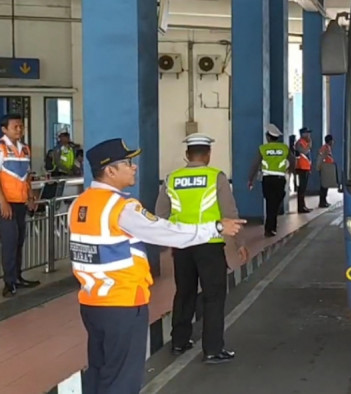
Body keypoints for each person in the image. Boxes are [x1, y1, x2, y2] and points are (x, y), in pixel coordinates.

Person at [69, 138, 245, 393]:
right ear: (110, 171)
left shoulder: (80, 204)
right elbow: (163, 230)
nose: (135, 167)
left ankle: (180, 339)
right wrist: (216, 227)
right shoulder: (121, 208)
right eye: (128, 163)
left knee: (100, 370)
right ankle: (213, 347)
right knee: (122, 380)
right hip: (123, 303)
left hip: (92, 303)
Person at [155, 133, 248, 364]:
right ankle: (213, 349)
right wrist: (239, 244)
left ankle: (179, 341)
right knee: (213, 296)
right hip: (210, 245)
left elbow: (160, 215)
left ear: (187, 155)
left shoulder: (171, 178)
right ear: (207, 155)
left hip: (183, 247)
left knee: (184, 292)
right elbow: (229, 213)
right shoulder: (216, 177)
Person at [0, 113, 39, 297]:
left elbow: (26, 177)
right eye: (15, 126)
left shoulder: (25, 149)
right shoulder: (0, 148)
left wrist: (30, 197)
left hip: (20, 202)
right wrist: (3, 203)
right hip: (5, 204)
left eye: (21, 126)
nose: (19, 130)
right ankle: (9, 282)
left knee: (19, 240)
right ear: (4, 129)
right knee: (9, 241)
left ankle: (18, 276)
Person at [248, 124, 294, 237]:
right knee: (275, 202)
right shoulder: (284, 148)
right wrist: (290, 170)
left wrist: (250, 179)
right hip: (280, 179)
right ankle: (271, 227)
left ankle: (270, 227)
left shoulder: (263, 149)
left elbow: (255, 164)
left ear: (268, 137)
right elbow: (293, 161)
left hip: (267, 179)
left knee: (270, 203)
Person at [294, 128, 313, 213]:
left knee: (304, 188)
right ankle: (300, 207)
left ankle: (303, 206)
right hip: (300, 168)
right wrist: (309, 144)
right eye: (307, 133)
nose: (309, 135)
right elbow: (304, 152)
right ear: (302, 134)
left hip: (305, 168)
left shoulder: (305, 142)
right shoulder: (299, 143)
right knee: (301, 188)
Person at [316, 135, 337, 208]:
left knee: (326, 185)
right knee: (323, 186)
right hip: (324, 168)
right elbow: (320, 157)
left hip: (327, 168)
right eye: (332, 140)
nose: (333, 142)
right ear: (330, 141)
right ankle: (321, 202)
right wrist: (318, 167)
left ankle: (324, 201)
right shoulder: (324, 148)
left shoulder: (328, 147)